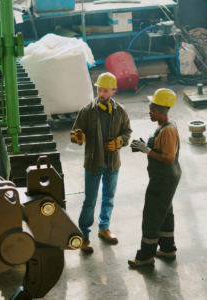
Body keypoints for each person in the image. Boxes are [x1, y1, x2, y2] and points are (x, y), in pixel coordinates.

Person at [70, 72, 132, 253]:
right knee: (89, 200)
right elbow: (75, 135)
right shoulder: (86, 112)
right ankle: (84, 234)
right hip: (93, 164)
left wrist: (118, 142)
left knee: (109, 198)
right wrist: (78, 137)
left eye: (105, 91)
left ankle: (104, 228)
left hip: (112, 164)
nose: (101, 94)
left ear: (114, 91)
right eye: (99, 90)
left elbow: (127, 132)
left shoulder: (120, 111)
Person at [128, 88, 181, 267]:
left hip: (163, 178)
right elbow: (160, 150)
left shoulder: (167, 130)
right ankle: (167, 248)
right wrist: (145, 146)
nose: (149, 113)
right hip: (165, 177)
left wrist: (147, 150)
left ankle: (145, 256)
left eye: (153, 110)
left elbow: (169, 158)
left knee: (152, 213)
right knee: (165, 211)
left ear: (163, 111)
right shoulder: (164, 126)